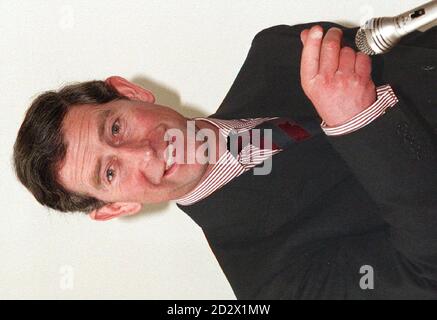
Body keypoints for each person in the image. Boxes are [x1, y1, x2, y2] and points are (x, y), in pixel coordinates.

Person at [13, 22, 437, 299]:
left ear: (130, 91)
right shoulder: (272, 283)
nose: (144, 152)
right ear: (116, 208)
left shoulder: (274, 53)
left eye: (116, 129)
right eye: (110, 172)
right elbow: (427, 275)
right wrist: (360, 123)